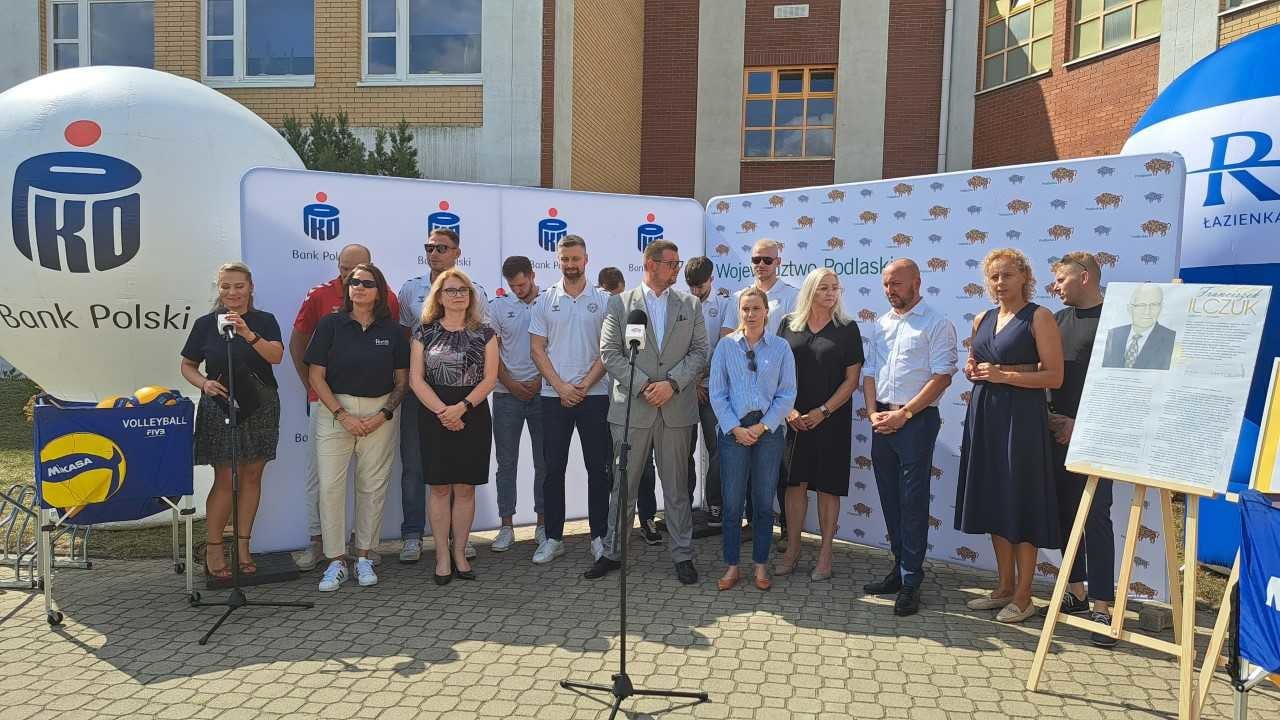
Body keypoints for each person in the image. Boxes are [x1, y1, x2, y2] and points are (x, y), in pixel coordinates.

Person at [584, 239, 709, 585]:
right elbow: (610, 353)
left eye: (678, 263)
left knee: (677, 489)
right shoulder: (620, 304)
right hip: (632, 411)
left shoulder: (689, 304)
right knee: (623, 486)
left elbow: (700, 352)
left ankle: (682, 555)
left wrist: (672, 384)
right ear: (651, 264)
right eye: (672, 263)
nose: (677, 269)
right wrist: (643, 385)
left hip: (675, 408)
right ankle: (612, 552)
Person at [955, 248, 1064, 624]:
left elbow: (1054, 376)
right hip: (985, 414)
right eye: (994, 276)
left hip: (1022, 419)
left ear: (1024, 277)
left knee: (1021, 499)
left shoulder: (1039, 316)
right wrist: (973, 369)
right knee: (994, 498)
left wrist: (1005, 376)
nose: (1000, 282)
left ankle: (1024, 595)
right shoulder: (981, 318)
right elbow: (975, 361)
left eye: (1007, 275)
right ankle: (1003, 587)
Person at [289, 244, 399, 571]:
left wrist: (384, 409)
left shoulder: (389, 299)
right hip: (327, 402)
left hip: (376, 405)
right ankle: (320, 544)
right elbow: (298, 342)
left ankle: (363, 549)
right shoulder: (319, 295)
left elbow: (394, 353)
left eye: (359, 273)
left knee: (372, 481)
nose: (350, 277)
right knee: (322, 479)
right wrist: (313, 388)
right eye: (344, 270)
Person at [861, 259, 958, 616]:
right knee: (890, 498)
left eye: (897, 284)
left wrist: (904, 414)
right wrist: (872, 413)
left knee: (912, 501)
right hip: (882, 419)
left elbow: (942, 376)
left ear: (917, 283)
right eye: (886, 284)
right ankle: (899, 568)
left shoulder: (937, 323)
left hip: (915, 421)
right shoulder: (881, 323)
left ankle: (912, 579)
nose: (890, 291)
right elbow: (869, 372)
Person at [179, 262, 284, 580]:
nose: (233, 292)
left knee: (252, 476)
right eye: (226, 286)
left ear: (251, 287)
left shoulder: (265, 321)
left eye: (239, 286)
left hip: (261, 405)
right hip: (220, 406)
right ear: (219, 288)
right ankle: (214, 548)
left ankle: (242, 548)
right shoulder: (205, 324)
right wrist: (204, 384)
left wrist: (247, 333)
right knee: (225, 478)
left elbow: (276, 356)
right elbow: (187, 365)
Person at [396, 228, 486, 564]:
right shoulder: (410, 290)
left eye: (441, 248)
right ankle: (413, 536)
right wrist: (440, 409)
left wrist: (460, 408)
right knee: (417, 469)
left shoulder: (478, 293)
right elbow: (405, 341)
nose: (434, 253)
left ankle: (457, 543)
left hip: (469, 405)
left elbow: (486, 357)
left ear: (457, 252)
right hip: (424, 398)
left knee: (461, 480)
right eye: (429, 247)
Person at [409, 269, 498, 584]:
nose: (458, 295)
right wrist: (443, 412)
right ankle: (442, 557)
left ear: (471, 296)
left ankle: (460, 552)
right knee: (439, 487)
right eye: (451, 290)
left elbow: (490, 378)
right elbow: (415, 379)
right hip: (433, 414)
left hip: (472, 413)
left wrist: (461, 408)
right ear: (439, 296)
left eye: (463, 290)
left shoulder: (485, 333)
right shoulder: (423, 331)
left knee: (464, 488)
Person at [529, 236, 613, 564]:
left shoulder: (604, 300)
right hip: (554, 397)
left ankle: (599, 537)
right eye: (565, 259)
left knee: (598, 469)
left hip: (595, 396)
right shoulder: (545, 300)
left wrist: (584, 385)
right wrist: (561, 387)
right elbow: (537, 349)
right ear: (558, 261)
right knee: (553, 470)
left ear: (586, 259)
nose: (570, 264)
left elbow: (609, 350)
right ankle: (553, 538)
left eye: (575, 258)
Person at [776, 268, 863, 581]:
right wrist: (789, 411)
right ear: (810, 291)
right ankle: (793, 549)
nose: (830, 293)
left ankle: (825, 554)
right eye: (824, 288)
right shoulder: (788, 324)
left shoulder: (847, 328)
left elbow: (852, 381)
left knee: (828, 487)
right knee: (794, 485)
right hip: (794, 421)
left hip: (831, 420)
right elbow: (776, 372)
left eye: (835, 288)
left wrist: (823, 411)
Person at [1049, 252, 1117, 646]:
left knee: (1096, 518)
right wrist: (1052, 419)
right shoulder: (1056, 320)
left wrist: (1080, 424)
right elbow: (1047, 374)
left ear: (1085, 277)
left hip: (1097, 435)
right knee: (1063, 511)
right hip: (1056, 432)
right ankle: (1075, 592)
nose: (1055, 286)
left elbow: (1116, 384)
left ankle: (1103, 606)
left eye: (1061, 279)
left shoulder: (1115, 319)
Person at [709, 288, 796, 591]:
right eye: (745, 309)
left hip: (768, 433)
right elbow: (717, 393)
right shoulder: (725, 347)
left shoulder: (781, 348)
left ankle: (761, 566)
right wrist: (735, 428)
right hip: (733, 432)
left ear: (766, 312)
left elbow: (787, 394)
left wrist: (762, 427)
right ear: (739, 312)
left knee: (762, 503)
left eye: (756, 308)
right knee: (732, 503)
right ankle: (732, 566)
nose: (750, 314)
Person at [720, 238, 800, 545]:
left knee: (780, 466)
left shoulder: (792, 296)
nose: (761, 265)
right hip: (743, 396)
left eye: (768, 259)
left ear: (778, 261)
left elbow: (795, 343)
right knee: (749, 467)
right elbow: (727, 336)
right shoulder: (738, 297)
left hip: (777, 393)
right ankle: (753, 523)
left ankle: (786, 530)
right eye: (756, 259)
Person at [600, 269, 662, 546]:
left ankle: (648, 519)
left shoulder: (650, 311)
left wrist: (656, 386)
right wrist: (642, 384)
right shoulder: (615, 308)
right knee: (620, 473)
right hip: (623, 405)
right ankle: (614, 543)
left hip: (657, 402)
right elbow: (609, 353)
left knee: (648, 470)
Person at [488, 256, 546, 552]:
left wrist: (540, 379)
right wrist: (510, 383)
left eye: (522, 284)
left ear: (532, 275)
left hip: (543, 392)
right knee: (506, 463)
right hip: (505, 394)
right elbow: (492, 352)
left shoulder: (549, 301)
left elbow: (554, 346)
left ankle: (543, 525)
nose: (518, 290)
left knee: (544, 462)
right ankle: (506, 526)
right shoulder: (497, 306)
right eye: (513, 286)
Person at [685, 256, 729, 526]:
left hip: (714, 391)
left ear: (711, 279)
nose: (695, 291)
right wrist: (691, 384)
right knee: (683, 451)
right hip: (685, 390)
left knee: (718, 450)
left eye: (699, 286)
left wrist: (703, 382)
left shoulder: (725, 305)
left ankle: (715, 506)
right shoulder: (681, 304)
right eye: (691, 286)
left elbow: (723, 348)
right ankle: (683, 508)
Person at [1100, 283, 1176, 370]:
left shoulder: (1171, 339)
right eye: (1141, 305)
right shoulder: (1112, 334)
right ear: (1129, 308)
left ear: (1161, 308)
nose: (1147, 311)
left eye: (1154, 305)